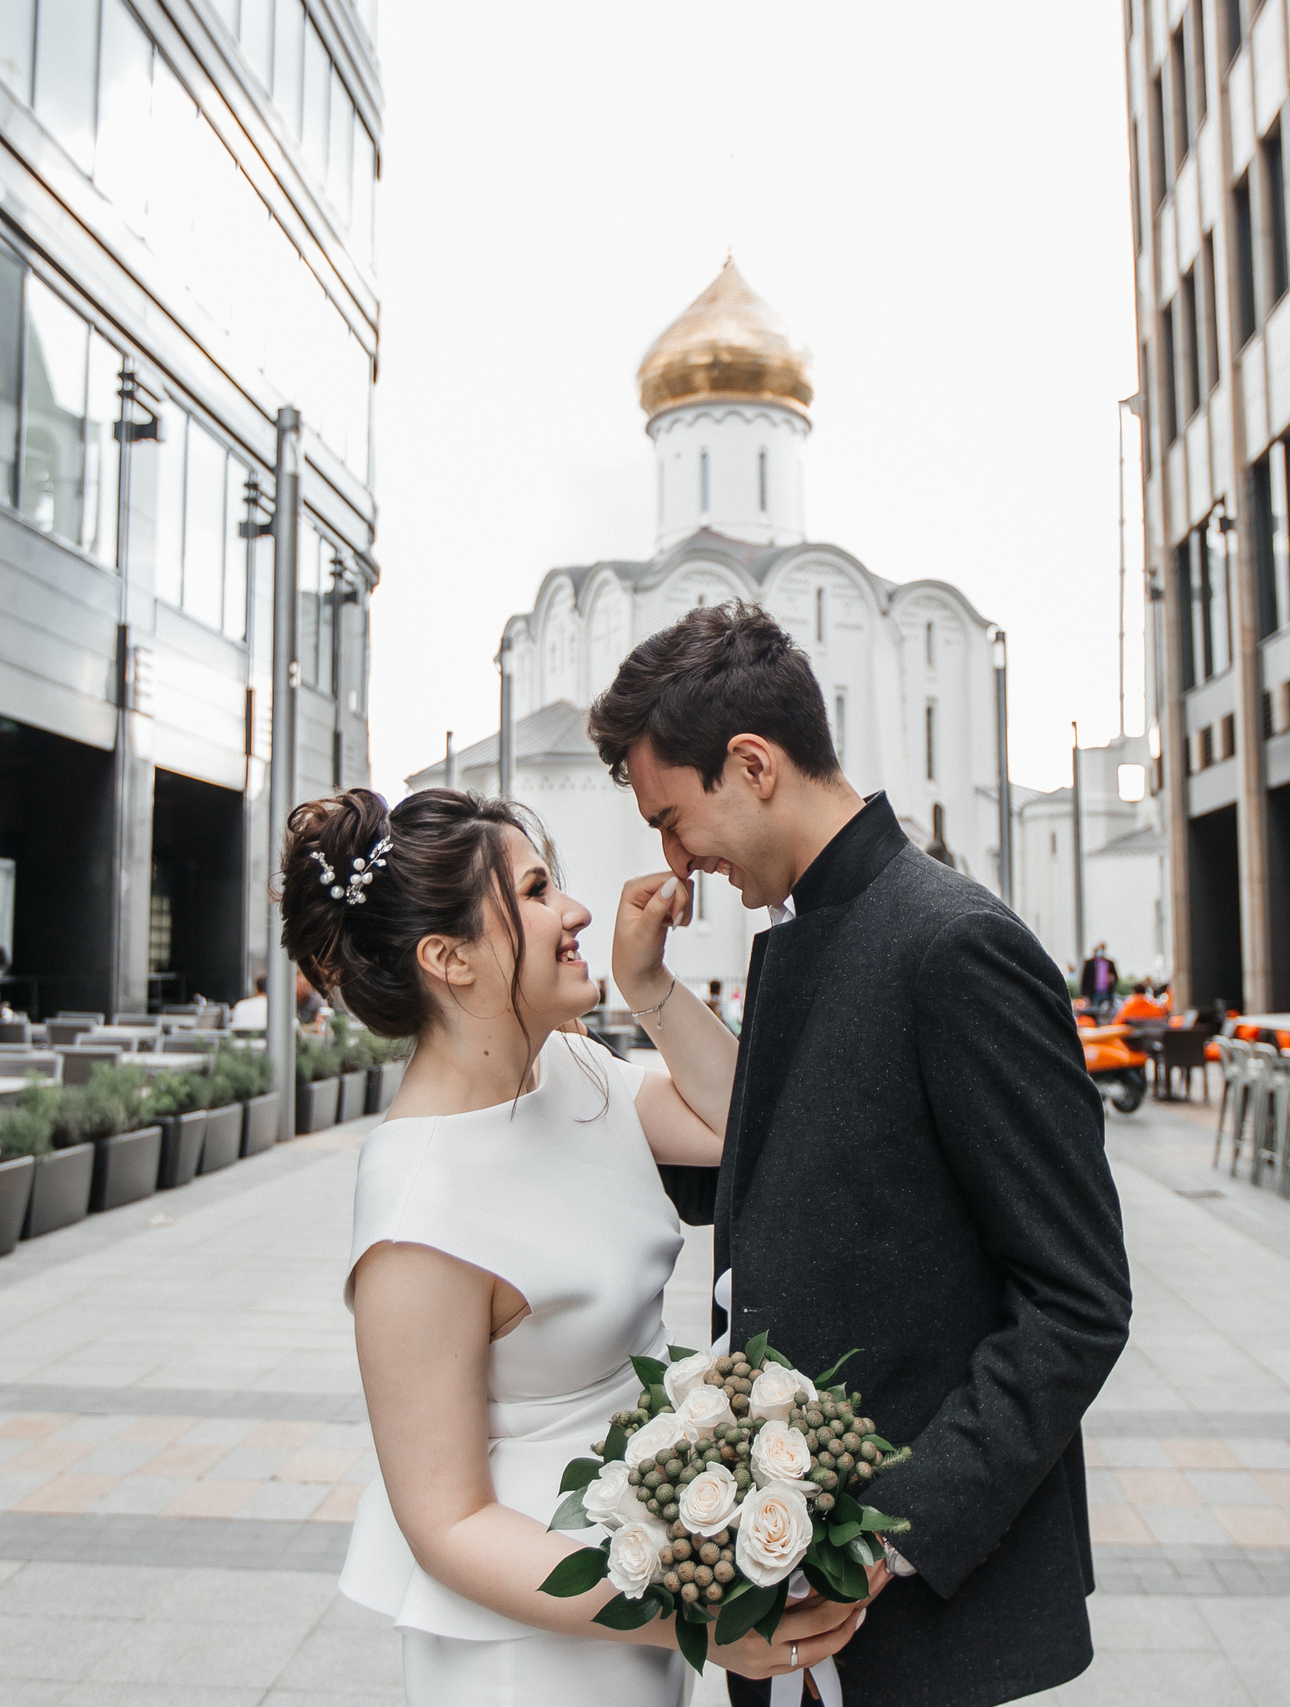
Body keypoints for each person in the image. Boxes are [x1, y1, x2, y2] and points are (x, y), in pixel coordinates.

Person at [587, 602, 1133, 1707]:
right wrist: (649, 993)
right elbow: (779, 1159)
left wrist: (884, 1535)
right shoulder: (802, 931)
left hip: (912, 1611)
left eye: (672, 817)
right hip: (794, 1606)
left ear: (750, 764)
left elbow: (1077, 1300)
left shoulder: (951, 943)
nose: (671, 856)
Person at [282, 787, 860, 1705]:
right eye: (539, 888)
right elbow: (449, 1523)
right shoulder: (418, 1209)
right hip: (525, 1639)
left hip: (635, 1589)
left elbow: (745, 1125)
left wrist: (652, 988)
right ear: (449, 957)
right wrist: (696, 1613)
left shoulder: (571, 1067)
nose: (579, 910)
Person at [1081, 941, 1120, 1020]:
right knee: (1093, 1013)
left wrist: (1112, 979)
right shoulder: (1089, 963)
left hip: (1106, 992)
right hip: (1093, 993)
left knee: (1107, 1013)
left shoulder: (1109, 963)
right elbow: (1084, 979)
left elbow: (1116, 977)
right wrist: (1085, 995)